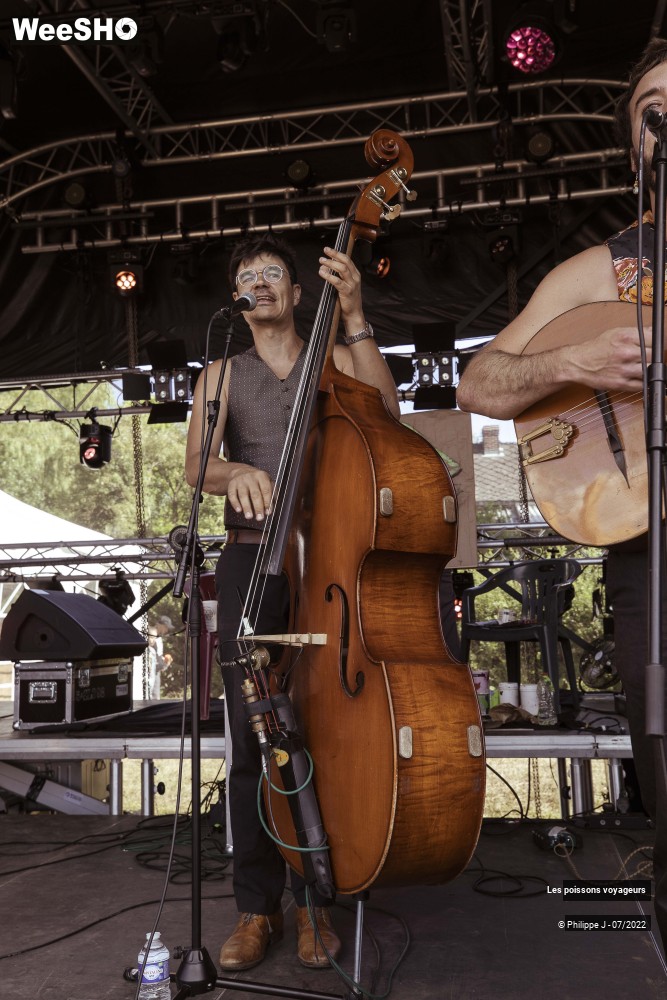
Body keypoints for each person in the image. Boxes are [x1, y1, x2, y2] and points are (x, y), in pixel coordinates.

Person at [456, 37, 667, 952]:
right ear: (634, 151)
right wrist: (572, 360)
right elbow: (479, 382)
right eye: (652, 111)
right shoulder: (603, 272)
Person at [185, 233, 399, 972]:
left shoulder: (330, 360)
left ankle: (317, 902)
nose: (260, 282)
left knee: (322, 729)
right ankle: (256, 908)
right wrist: (233, 471)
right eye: (247, 276)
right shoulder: (220, 373)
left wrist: (356, 315)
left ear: (297, 293)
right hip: (251, 560)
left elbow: (388, 413)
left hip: (328, 556)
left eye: (273, 272)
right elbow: (196, 465)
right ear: (238, 299)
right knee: (253, 737)